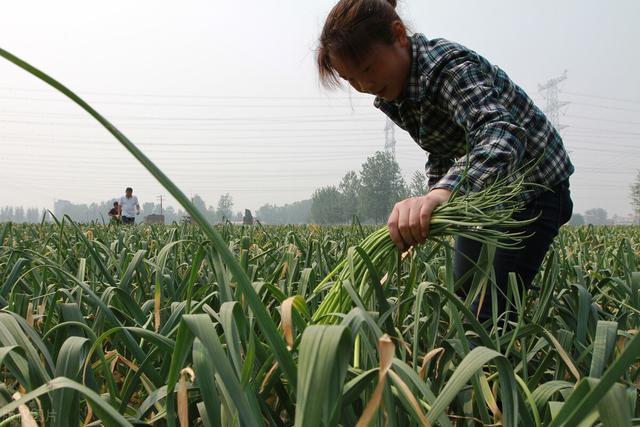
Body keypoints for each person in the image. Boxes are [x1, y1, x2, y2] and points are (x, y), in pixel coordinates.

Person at [317, 0, 574, 323]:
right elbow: (441, 146)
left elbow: (502, 133)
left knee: (489, 313)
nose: (365, 86)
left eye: (367, 68)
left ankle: (494, 365)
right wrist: (434, 200)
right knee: (464, 290)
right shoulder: (396, 91)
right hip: (482, 197)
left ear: (398, 35)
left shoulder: (447, 69)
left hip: (534, 188)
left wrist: (440, 195)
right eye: (351, 79)